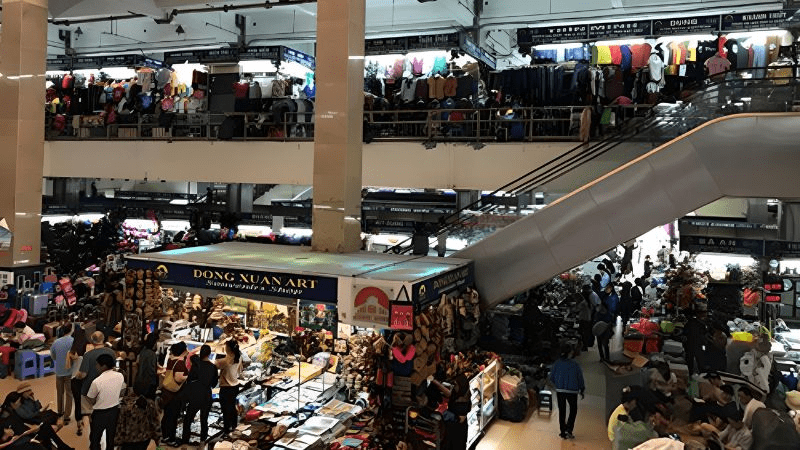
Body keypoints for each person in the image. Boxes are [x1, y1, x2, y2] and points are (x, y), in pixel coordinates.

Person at [180, 344, 218, 446]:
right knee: (204, 420)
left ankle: (185, 441)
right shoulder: (213, 367)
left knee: (188, 418)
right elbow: (214, 384)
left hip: (195, 395)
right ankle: (202, 442)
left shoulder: (196, 365)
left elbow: (190, 379)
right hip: (206, 396)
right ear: (209, 354)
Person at [86, 353, 125, 450]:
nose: (96, 366)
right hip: (114, 411)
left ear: (103, 366)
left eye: (97, 364)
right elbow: (122, 391)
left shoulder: (97, 381)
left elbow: (90, 398)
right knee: (111, 438)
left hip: (100, 414)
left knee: (95, 439)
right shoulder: (120, 375)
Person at [429, 368, 471, 450]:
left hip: (457, 417)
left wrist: (434, 381)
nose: (448, 371)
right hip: (460, 418)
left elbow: (449, 393)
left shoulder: (459, 380)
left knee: (454, 442)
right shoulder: (461, 378)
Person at [76, 331, 115, 419]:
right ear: (103, 339)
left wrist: (77, 376)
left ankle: (90, 427)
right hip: (107, 388)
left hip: (89, 389)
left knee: (88, 414)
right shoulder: (111, 352)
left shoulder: (88, 355)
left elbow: (83, 374)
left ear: (92, 341)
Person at [549, 344, 585, 439]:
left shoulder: (557, 363)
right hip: (572, 391)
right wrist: (582, 389)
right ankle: (569, 429)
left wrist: (558, 384)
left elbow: (551, 377)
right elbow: (580, 378)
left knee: (562, 410)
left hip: (560, 390)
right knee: (573, 410)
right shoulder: (575, 364)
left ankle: (562, 432)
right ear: (570, 353)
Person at [160, 342, 189, 447]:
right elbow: (178, 378)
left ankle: (165, 436)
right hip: (174, 394)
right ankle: (171, 439)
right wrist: (188, 376)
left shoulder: (171, 360)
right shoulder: (180, 363)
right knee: (173, 417)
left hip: (166, 392)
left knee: (167, 415)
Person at [66, 327, 89, 436]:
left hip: (74, 379)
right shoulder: (86, 352)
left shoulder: (71, 352)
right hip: (84, 380)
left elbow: (67, 367)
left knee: (77, 402)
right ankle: (87, 420)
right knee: (85, 401)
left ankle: (79, 424)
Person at [217, 339, 243, 433]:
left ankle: (227, 430)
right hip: (235, 387)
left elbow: (212, 364)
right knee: (232, 408)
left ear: (229, 349)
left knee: (225, 410)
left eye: (226, 347)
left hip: (226, 388)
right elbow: (240, 371)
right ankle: (234, 426)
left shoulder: (225, 361)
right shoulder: (238, 357)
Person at [50, 324, 74, 425]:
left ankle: (60, 412)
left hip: (59, 371)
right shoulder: (73, 341)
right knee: (69, 393)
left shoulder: (56, 342)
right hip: (70, 371)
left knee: (60, 392)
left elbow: (53, 356)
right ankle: (67, 416)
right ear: (71, 330)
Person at [133, 333, 158, 399]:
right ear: (154, 342)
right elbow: (152, 371)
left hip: (140, 381)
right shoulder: (152, 354)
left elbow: (137, 364)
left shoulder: (142, 351)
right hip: (148, 384)